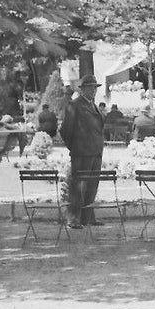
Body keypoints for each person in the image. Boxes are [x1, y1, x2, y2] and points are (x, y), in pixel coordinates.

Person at [60, 76, 106, 229]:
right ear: (83, 89)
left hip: (96, 152)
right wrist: (74, 147)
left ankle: (88, 217)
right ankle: (73, 218)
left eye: (95, 87)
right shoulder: (74, 105)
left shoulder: (93, 106)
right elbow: (65, 130)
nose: (94, 90)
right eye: (91, 87)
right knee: (78, 187)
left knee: (92, 186)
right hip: (81, 153)